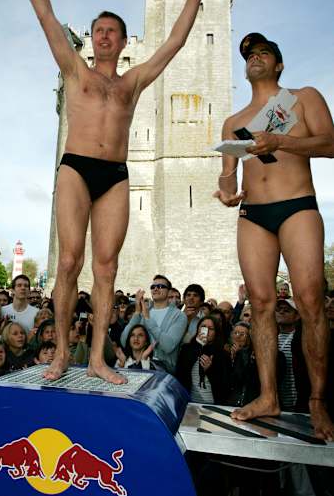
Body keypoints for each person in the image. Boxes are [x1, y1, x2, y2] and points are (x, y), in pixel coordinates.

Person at [1, 0, 214, 383]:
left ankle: (97, 357)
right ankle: (60, 355)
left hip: (117, 174)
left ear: (120, 43)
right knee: (70, 259)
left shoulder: (133, 81)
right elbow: (44, 11)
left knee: (106, 266)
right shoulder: (73, 70)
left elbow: (175, 42)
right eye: (97, 31)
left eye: (111, 32)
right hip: (75, 167)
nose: (102, 36)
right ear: (91, 40)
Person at [214, 32, 334, 439]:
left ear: (278, 64)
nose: (254, 59)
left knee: (310, 298)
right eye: (249, 55)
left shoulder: (303, 97)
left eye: (263, 53)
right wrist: (226, 192)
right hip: (254, 214)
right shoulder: (234, 122)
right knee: (261, 303)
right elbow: (229, 180)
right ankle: (268, 396)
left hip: (297, 204)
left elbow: (330, 144)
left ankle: (317, 400)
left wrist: (280, 140)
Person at [120, 275, 187, 374]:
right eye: (153, 287)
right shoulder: (144, 312)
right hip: (138, 366)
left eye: (160, 286)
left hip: (163, 371)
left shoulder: (179, 316)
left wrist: (148, 319)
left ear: (169, 292)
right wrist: (137, 312)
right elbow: (124, 340)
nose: (155, 289)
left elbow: (168, 346)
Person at [176, 316, 230, 404]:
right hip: (190, 403)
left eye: (211, 328)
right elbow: (180, 375)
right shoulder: (187, 349)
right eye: (203, 327)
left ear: (216, 333)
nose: (206, 331)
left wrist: (210, 370)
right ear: (198, 329)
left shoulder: (222, 354)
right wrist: (198, 346)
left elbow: (225, 385)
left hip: (214, 404)